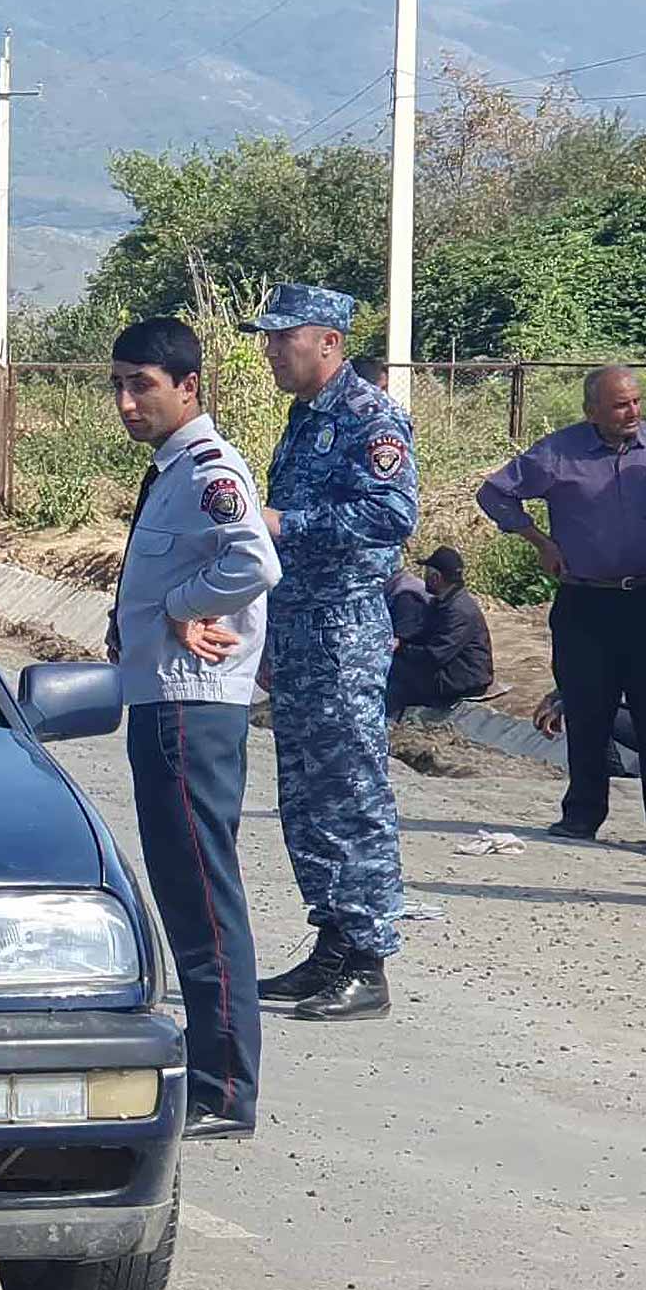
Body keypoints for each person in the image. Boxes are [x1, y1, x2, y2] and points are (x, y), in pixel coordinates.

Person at [104, 318, 280, 1139]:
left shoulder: (210, 470)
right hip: (163, 697)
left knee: (205, 896)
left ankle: (224, 1088)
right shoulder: (170, 470)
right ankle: (213, 1074)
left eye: (143, 384)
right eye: (119, 385)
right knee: (185, 891)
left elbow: (255, 561)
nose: (127, 401)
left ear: (188, 387)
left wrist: (181, 607)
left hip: (190, 703)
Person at [245, 283, 416, 1022]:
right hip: (298, 624)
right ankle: (333, 942)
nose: (273, 351)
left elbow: (392, 512)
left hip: (345, 627)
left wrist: (289, 522)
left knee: (352, 791)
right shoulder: (303, 416)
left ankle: (369, 959)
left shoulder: (370, 416)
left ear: (330, 342)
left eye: (287, 338)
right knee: (307, 795)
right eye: (270, 338)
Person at [477, 367, 646, 848]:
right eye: (620, 405)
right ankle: (582, 815)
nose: (633, 412)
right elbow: (495, 493)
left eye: (636, 402)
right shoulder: (557, 453)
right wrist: (538, 542)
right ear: (592, 412)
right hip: (586, 600)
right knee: (588, 709)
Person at [532, 658, 646, 778]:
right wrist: (553, 697)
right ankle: (608, 772)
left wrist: (565, 704)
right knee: (584, 707)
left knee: (587, 710)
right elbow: (592, 679)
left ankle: (613, 774)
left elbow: (606, 694)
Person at [385, 547, 494, 718]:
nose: (424, 578)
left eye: (427, 574)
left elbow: (435, 656)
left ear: (436, 578)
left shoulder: (459, 611)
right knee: (395, 666)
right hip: (451, 670)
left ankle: (390, 722)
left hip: (463, 678)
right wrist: (400, 643)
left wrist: (402, 649)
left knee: (397, 673)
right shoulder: (444, 602)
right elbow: (424, 633)